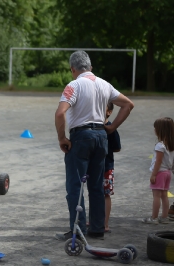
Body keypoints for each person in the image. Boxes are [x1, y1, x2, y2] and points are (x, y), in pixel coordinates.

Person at [54, 50, 134, 241]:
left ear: (73, 69)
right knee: (96, 186)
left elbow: (60, 113)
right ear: (91, 67)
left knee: (75, 186)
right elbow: (128, 104)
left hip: (81, 136)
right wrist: (112, 127)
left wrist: (62, 138)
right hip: (100, 135)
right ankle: (97, 228)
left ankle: (77, 229)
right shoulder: (105, 84)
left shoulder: (74, 85)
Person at [142, 117, 174, 224]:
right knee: (164, 195)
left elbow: (158, 161)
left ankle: (154, 217)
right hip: (168, 173)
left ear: (160, 130)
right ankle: (164, 217)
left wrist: (153, 175)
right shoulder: (170, 145)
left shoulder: (160, 146)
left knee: (156, 196)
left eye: (155, 128)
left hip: (160, 173)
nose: (154, 130)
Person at [103, 102, 121, 233]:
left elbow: (117, 147)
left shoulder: (111, 128)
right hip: (94, 167)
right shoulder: (93, 126)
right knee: (94, 193)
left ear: (109, 112)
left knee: (105, 194)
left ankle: (105, 223)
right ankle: (94, 219)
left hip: (106, 166)